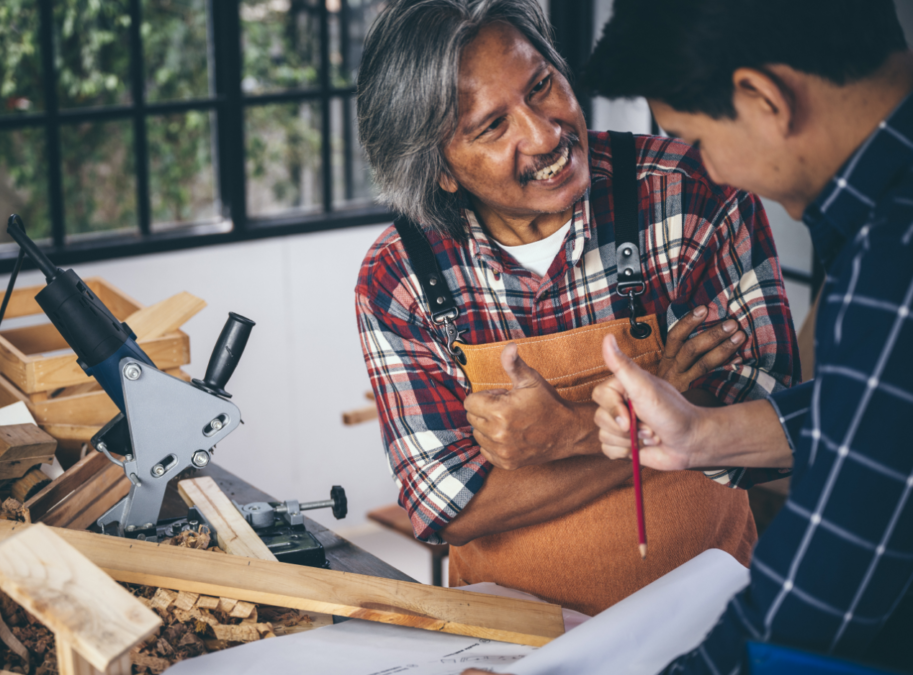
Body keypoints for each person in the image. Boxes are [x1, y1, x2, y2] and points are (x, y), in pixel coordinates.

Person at [354, 0, 800, 616]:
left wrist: (564, 433)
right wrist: (665, 398)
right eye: (491, 127)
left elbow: (773, 423)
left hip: (709, 616)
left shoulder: (690, 192)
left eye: (542, 86)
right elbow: (450, 508)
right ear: (443, 172)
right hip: (512, 638)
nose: (544, 133)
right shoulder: (400, 276)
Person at [577, 0, 913, 671]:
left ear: (763, 97)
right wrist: (703, 433)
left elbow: (811, 608)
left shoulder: (893, 261)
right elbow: (882, 413)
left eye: (696, 142)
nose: (710, 173)